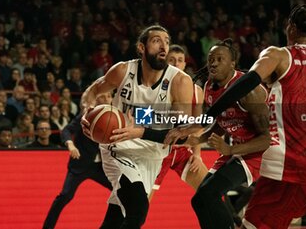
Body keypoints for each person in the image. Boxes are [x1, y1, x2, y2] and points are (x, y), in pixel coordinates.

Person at [165, 4, 306, 229]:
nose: (213, 63)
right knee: (212, 202)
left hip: (284, 158)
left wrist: (199, 129)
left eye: (178, 61)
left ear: (291, 28)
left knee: (210, 196)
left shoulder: (277, 57)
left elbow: (246, 88)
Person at [80, 25, 194, 229]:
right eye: (157, 40)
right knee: (138, 211)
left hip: (152, 156)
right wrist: (87, 112)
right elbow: (93, 90)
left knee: (116, 218)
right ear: (141, 47)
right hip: (118, 148)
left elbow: (182, 134)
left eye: (166, 41)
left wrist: (141, 128)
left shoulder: (179, 81)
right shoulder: (123, 70)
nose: (164, 46)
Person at [186, 39, 269, 229]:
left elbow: (267, 139)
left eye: (220, 59)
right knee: (198, 200)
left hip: (258, 152)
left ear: (232, 63)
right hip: (237, 150)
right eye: (210, 59)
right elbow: (223, 121)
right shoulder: (209, 87)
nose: (213, 63)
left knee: (210, 194)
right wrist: (201, 138)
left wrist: (230, 149)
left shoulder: (249, 91)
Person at [43, 93, 113, 229]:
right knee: (65, 196)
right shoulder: (87, 115)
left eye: (108, 96)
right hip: (81, 164)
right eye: (102, 96)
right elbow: (67, 130)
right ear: (96, 98)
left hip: (102, 166)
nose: (105, 99)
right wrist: (70, 144)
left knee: (122, 192)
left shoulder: (116, 116)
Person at [149, 44, 208, 199]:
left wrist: (197, 154)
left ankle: (234, 222)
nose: (176, 64)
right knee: (141, 207)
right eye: (172, 60)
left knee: (210, 190)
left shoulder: (197, 91)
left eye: (180, 60)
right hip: (157, 150)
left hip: (182, 150)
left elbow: (198, 126)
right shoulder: (153, 86)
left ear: (184, 64)